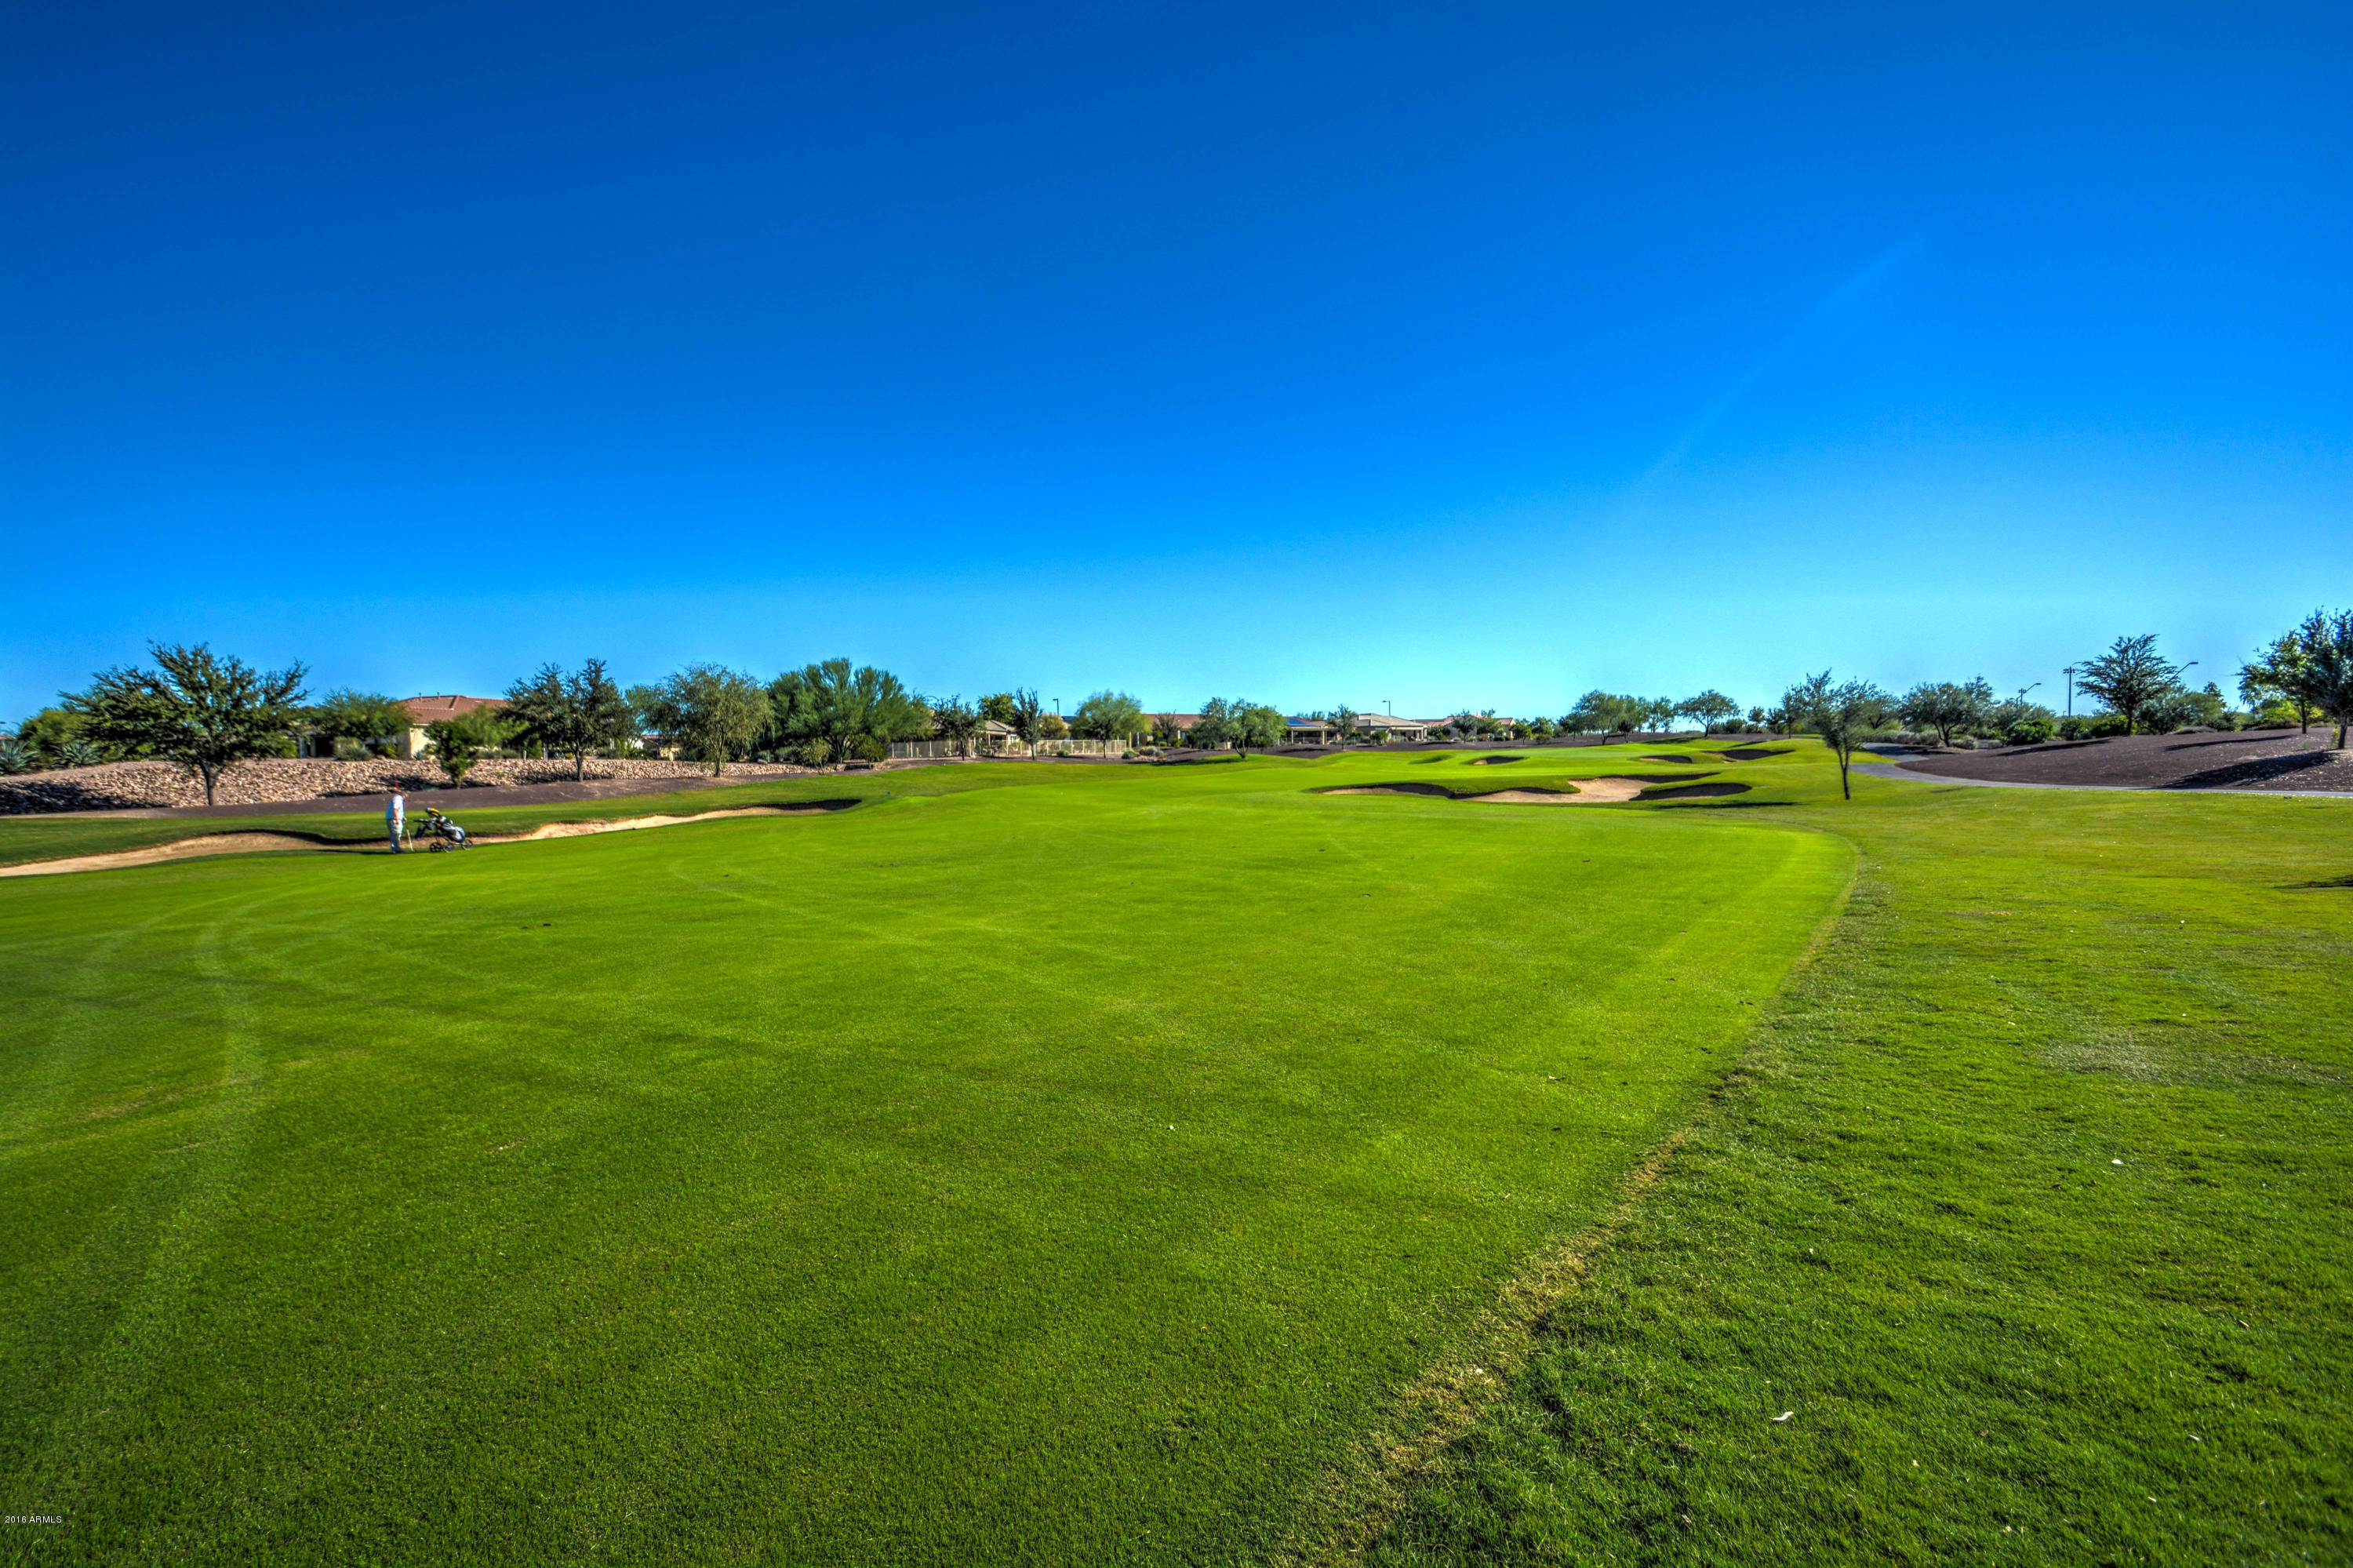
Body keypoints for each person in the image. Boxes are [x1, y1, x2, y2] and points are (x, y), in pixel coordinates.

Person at [386, 788, 406, 853]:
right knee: (397, 834)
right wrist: (397, 819)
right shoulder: (399, 799)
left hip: (391, 818)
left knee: (394, 834)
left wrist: (403, 817)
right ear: (403, 795)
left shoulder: (396, 798)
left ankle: (395, 848)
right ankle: (396, 849)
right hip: (394, 819)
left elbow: (398, 810)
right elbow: (395, 809)